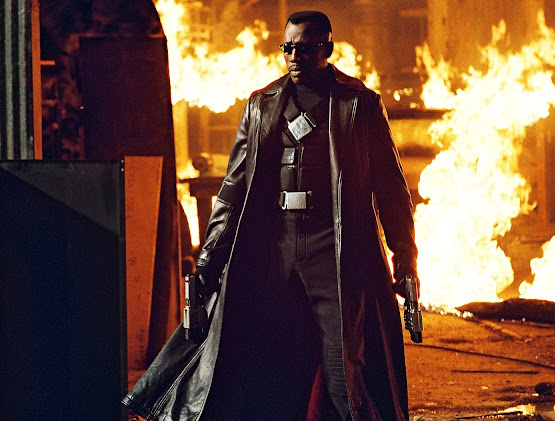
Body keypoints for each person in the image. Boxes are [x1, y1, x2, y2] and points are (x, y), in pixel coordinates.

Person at [123, 10, 419, 420]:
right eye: (288, 48)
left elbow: (391, 191)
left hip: (332, 248)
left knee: (345, 369)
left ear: (327, 49)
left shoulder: (358, 104)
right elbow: (233, 191)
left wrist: (405, 261)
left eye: (306, 49)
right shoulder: (262, 105)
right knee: (270, 368)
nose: (295, 57)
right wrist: (208, 261)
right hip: (276, 249)